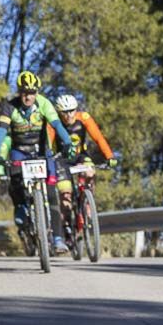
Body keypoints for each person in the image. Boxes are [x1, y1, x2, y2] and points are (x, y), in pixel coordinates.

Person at [0, 71, 74, 252]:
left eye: (32, 92)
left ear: (37, 92)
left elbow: (57, 125)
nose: (28, 96)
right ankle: (21, 207)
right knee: (16, 183)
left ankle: (58, 239)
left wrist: (67, 142)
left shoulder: (43, 103)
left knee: (52, 196)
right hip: (19, 151)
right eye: (24, 92)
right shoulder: (9, 107)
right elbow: (1, 130)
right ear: (19, 92)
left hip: (42, 151)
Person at [49, 93, 117, 230]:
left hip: (80, 156)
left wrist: (109, 156)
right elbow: (49, 145)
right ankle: (66, 226)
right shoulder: (53, 123)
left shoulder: (84, 118)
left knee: (90, 172)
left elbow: (99, 138)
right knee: (65, 195)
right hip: (61, 160)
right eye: (64, 112)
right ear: (58, 112)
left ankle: (87, 202)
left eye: (72, 111)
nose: (69, 115)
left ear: (76, 109)